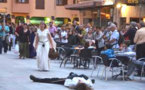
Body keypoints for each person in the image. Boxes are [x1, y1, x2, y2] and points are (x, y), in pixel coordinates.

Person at [29, 72, 94, 90]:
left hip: (67, 79)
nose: (80, 81)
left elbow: (67, 80)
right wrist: (80, 77)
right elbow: (86, 77)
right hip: (76, 76)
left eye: (80, 82)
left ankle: (37, 79)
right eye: (82, 81)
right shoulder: (87, 83)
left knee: (52, 80)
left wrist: (73, 76)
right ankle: (72, 73)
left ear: (78, 84)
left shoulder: (72, 83)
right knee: (72, 73)